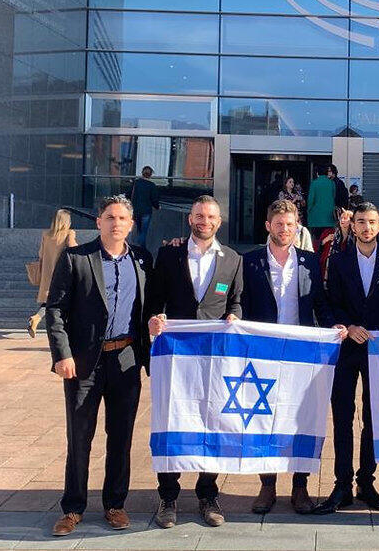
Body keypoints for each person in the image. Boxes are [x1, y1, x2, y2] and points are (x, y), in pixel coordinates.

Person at [44, 195, 153, 536]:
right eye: (110, 217)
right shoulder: (77, 258)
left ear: (131, 225)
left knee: (120, 437)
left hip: (126, 359)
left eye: (122, 218)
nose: (116, 223)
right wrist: (62, 354)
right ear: (99, 222)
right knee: (80, 437)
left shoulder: (143, 259)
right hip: (84, 363)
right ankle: (73, 507)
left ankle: (115, 504)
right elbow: (56, 309)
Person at [145, 196, 243, 529]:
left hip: (214, 357)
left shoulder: (232, 259)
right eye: (199, 216)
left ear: (220, 221)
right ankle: (168, 497)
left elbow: (237, 302)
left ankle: (207, 494)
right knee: (172, 420)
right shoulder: (170, 254)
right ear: (190, 219)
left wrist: (234, 316)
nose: (205, 221)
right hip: (175, 356)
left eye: (211, 216)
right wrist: (153, 320)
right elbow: (154, 300)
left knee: (211, 422)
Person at [241, 199, 339, 515]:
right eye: (279, 224)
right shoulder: (249, 261)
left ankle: (300, 488)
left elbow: (320, 303)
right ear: (268, 226)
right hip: (263, 353)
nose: (285, 229)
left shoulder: (310, 261)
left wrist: (332, 326)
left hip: (302, 354)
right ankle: (267, 486)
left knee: (303, 420)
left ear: (298, 228)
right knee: (263, 420)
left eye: (291, 224)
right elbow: (239, 303)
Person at [314, 202, 379, 515]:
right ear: (352, 226)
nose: (366, 227)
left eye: (372, 222)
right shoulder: (338, 261)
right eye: (361, 222)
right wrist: (347, 326)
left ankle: (367, 481)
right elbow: (327, 303)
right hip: (346, 347)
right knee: (341, 415)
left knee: (374, 416)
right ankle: (342, 484)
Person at [29, 209, 78, 337]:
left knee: (51, 299)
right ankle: (39, 319)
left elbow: (41, 254)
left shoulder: (46, 234)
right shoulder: (69, 233)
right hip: (62, 272)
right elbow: (74, 248)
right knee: (61, 299)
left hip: (47, 272)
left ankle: (37, 318)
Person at [320, 207, 354, 280]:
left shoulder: (355, 235)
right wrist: (325, 240)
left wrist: (353, 215)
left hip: (346, 274)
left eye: (345, 218)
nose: (342, 220)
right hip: (328, 272)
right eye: (341, 217)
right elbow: (318, 248)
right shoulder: (330, 232)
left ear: (351, 221)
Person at [129, 166, 159, 246]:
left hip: (136, 210)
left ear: (142, 173)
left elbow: (129, 195)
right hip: (146, 211)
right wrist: (157, 206)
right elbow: (154, 199)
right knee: (144, 231)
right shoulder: (152, 185)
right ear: (150, 175)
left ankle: (137, 246)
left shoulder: (136, 183)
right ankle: (141, 248)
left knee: (139, 229)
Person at [307, 167, 336, 245]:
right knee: (328, 242)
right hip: (329, 218)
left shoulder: (314, 183)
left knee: (317, 242)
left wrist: (308, 210)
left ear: (317, 174)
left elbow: (311, 199)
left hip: (315, 218)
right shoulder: (332, 183)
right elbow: (334, 197)